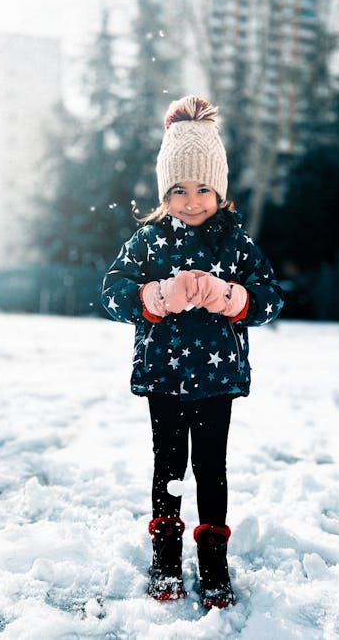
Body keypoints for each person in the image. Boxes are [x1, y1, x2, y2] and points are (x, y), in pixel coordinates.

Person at [102, 95, 284, 609]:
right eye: (179, 189)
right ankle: (165, 552)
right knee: (168, 466)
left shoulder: (236, 244)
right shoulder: (148, 240)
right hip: (163, 375)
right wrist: (155, 296)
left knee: (211, 467)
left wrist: (232, 298)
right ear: (165, 191)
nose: (192, 200)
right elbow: (112, 293)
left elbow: (270, 299)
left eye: (204, 188)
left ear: (220, 190)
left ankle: (212, 557)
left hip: (216, 380)